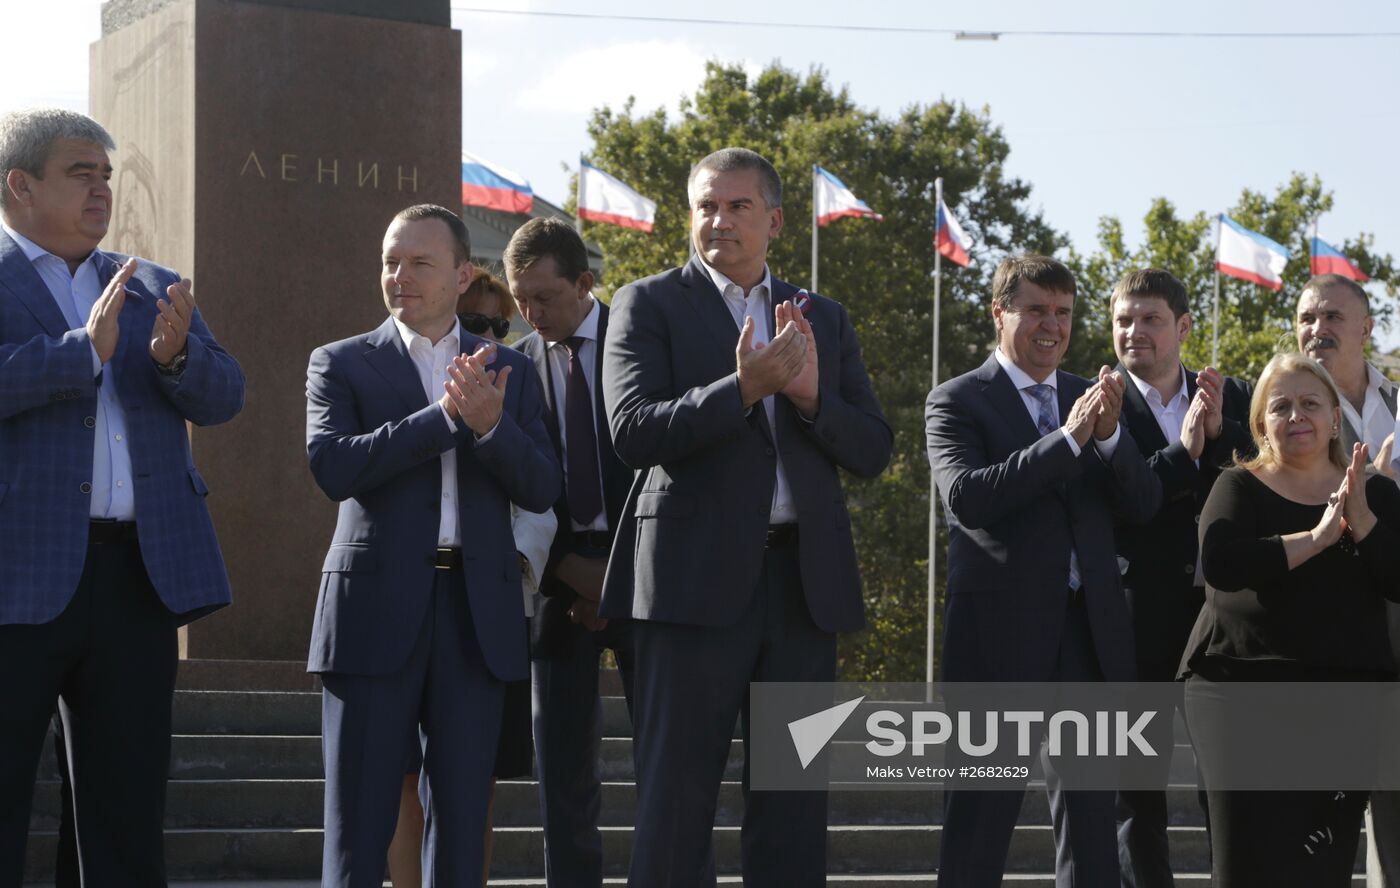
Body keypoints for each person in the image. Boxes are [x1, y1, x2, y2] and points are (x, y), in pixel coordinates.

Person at [600, 147, 891, 886]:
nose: (719, 221)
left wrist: (810, 398)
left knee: (793, 807)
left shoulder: (822, 315)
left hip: (801, 590)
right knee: (675, 806)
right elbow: (633, 431)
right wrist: (744, 387)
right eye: (706, 206)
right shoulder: (648, 302)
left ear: (775, 221)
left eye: (737, 207)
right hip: (690, 592)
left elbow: (873, 448)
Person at [0, 107, 245, 884]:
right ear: (19, 185)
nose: (103, 190)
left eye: (107, 175)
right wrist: (82, 353)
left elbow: (225, 395)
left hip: (138, 581)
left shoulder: (152, 286)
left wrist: (176, 360)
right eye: (81, 174)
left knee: (126, 812)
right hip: (16, 580)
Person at [306, 204, 560, 886]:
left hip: (476, 617)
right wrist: (444, 418)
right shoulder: (340, 363)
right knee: (357, 826)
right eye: (391, 261)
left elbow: (541, 486)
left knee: (461, 823)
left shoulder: (509, 370)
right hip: (372, 613)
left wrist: (491, 428)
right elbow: (334, 467)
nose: (401, 276)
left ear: (461, 274)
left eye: (420, 263)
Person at [924, 254, 1161, 887]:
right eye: (1035, 310)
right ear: (1000, 314)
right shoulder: (955, 401)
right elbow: (970, 498)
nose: (1051, 325)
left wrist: (1109, 439)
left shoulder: (1099, 395)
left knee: (1091, 840)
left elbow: (1143, 505)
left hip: (1089, 640)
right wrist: (1070, 440)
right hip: (996, 644)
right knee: (977, 831)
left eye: (1063, 312)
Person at [1181, 352, 1400, 888]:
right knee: (1244, 866)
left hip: (1343, 706)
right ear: (1261, 424)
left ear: (1333, 419)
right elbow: (1224, 565)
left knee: (1320, 864)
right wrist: (1317, 539)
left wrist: (1363, 521)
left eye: (1309, 404)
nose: (1296, 416)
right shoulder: (1237, 485)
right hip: (1236, 699)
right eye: (1280, 406)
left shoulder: (1377, 493)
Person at [384, 269, 557, 888]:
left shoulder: (517, 379)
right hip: (401, 599)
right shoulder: (381, 366)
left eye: (496, 325)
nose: (485, 337)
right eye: (476, 322)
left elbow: (541, 492)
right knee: (400, 777)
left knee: (471, 780)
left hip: (491, 605)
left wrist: (517, 563)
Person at [1108, 268, 1253, 887]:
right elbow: (1120, 501)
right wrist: (1182, 453)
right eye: (1123, 320)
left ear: (1184, 326)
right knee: (1136, 789)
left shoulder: (1235, 394)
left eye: (1150, 319)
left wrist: (1218, 438)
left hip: (1223, 619)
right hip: (1136, 615)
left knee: (1224, 784)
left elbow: (1263, 477)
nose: (1134, 332)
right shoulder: (1093, 400)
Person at [505, 218, 637, 888]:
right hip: (555, 585)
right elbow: (506, 486)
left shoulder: (643, 348)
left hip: (649, 575)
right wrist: (573, 577)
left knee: (670, 765)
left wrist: (619, 580)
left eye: (545, 298)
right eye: (520, 299)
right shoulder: (511, 368)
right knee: (561, 771)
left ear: (586, 283)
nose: (530, 313)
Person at [1295, 274, 1400, 888]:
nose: (1318, 329)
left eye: (1333, 317)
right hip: (1318, 630)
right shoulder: (1277, 409)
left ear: (1366, 329)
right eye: (1308, 318)